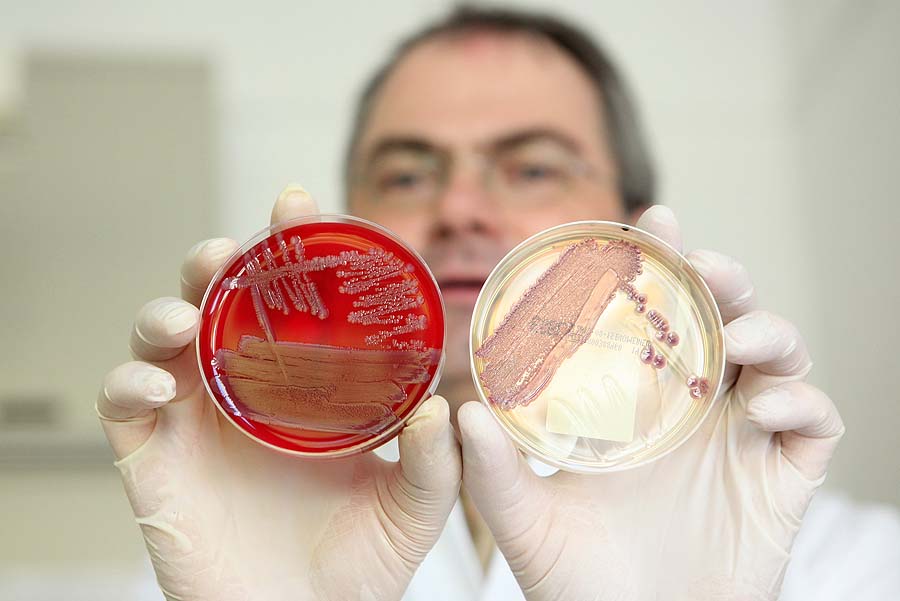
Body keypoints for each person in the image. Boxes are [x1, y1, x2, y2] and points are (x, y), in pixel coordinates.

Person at [96, 6, 899, 601]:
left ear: (631, 227)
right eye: (408, 174)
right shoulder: (202, 570)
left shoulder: (854, 563)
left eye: (533, 168)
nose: (460, 209)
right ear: (352, 225)